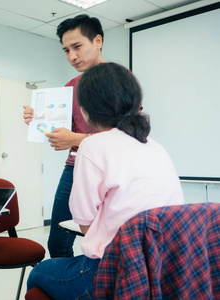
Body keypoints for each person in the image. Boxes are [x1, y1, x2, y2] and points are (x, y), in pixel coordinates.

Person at [27, 62, 185, 299]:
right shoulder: (155, 145)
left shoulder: (92, 146)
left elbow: (83, 220)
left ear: (86, 110)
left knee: (39, 272)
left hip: (115, 270)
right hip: (164, 269)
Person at [23, 14, 105, 258]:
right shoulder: (71, 85)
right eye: (66, 50)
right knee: (58, 244)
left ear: (97, 41)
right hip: (75, 167)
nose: (72, 57)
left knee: (106, 244)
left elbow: (126, 136)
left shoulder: (120, 80)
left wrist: (75, 140)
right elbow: (63, 129)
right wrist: (38, 120)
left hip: (110, 170)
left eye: (77, 47)